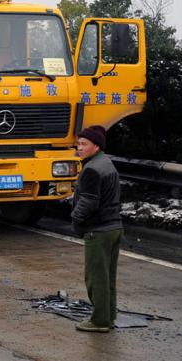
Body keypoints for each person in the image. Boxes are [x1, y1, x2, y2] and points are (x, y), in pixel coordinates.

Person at [71, 125, 123, 333]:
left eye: (84, 144)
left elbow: (89, 201)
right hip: (114, 227)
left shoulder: (92, 169)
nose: (79, 148)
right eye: (78, 144)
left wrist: (75, 218)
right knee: (108, 276)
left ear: (96, 146)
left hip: (98, 230)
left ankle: (100, 321)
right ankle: (109, 316)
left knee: (96, 278)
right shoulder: (106, 163)